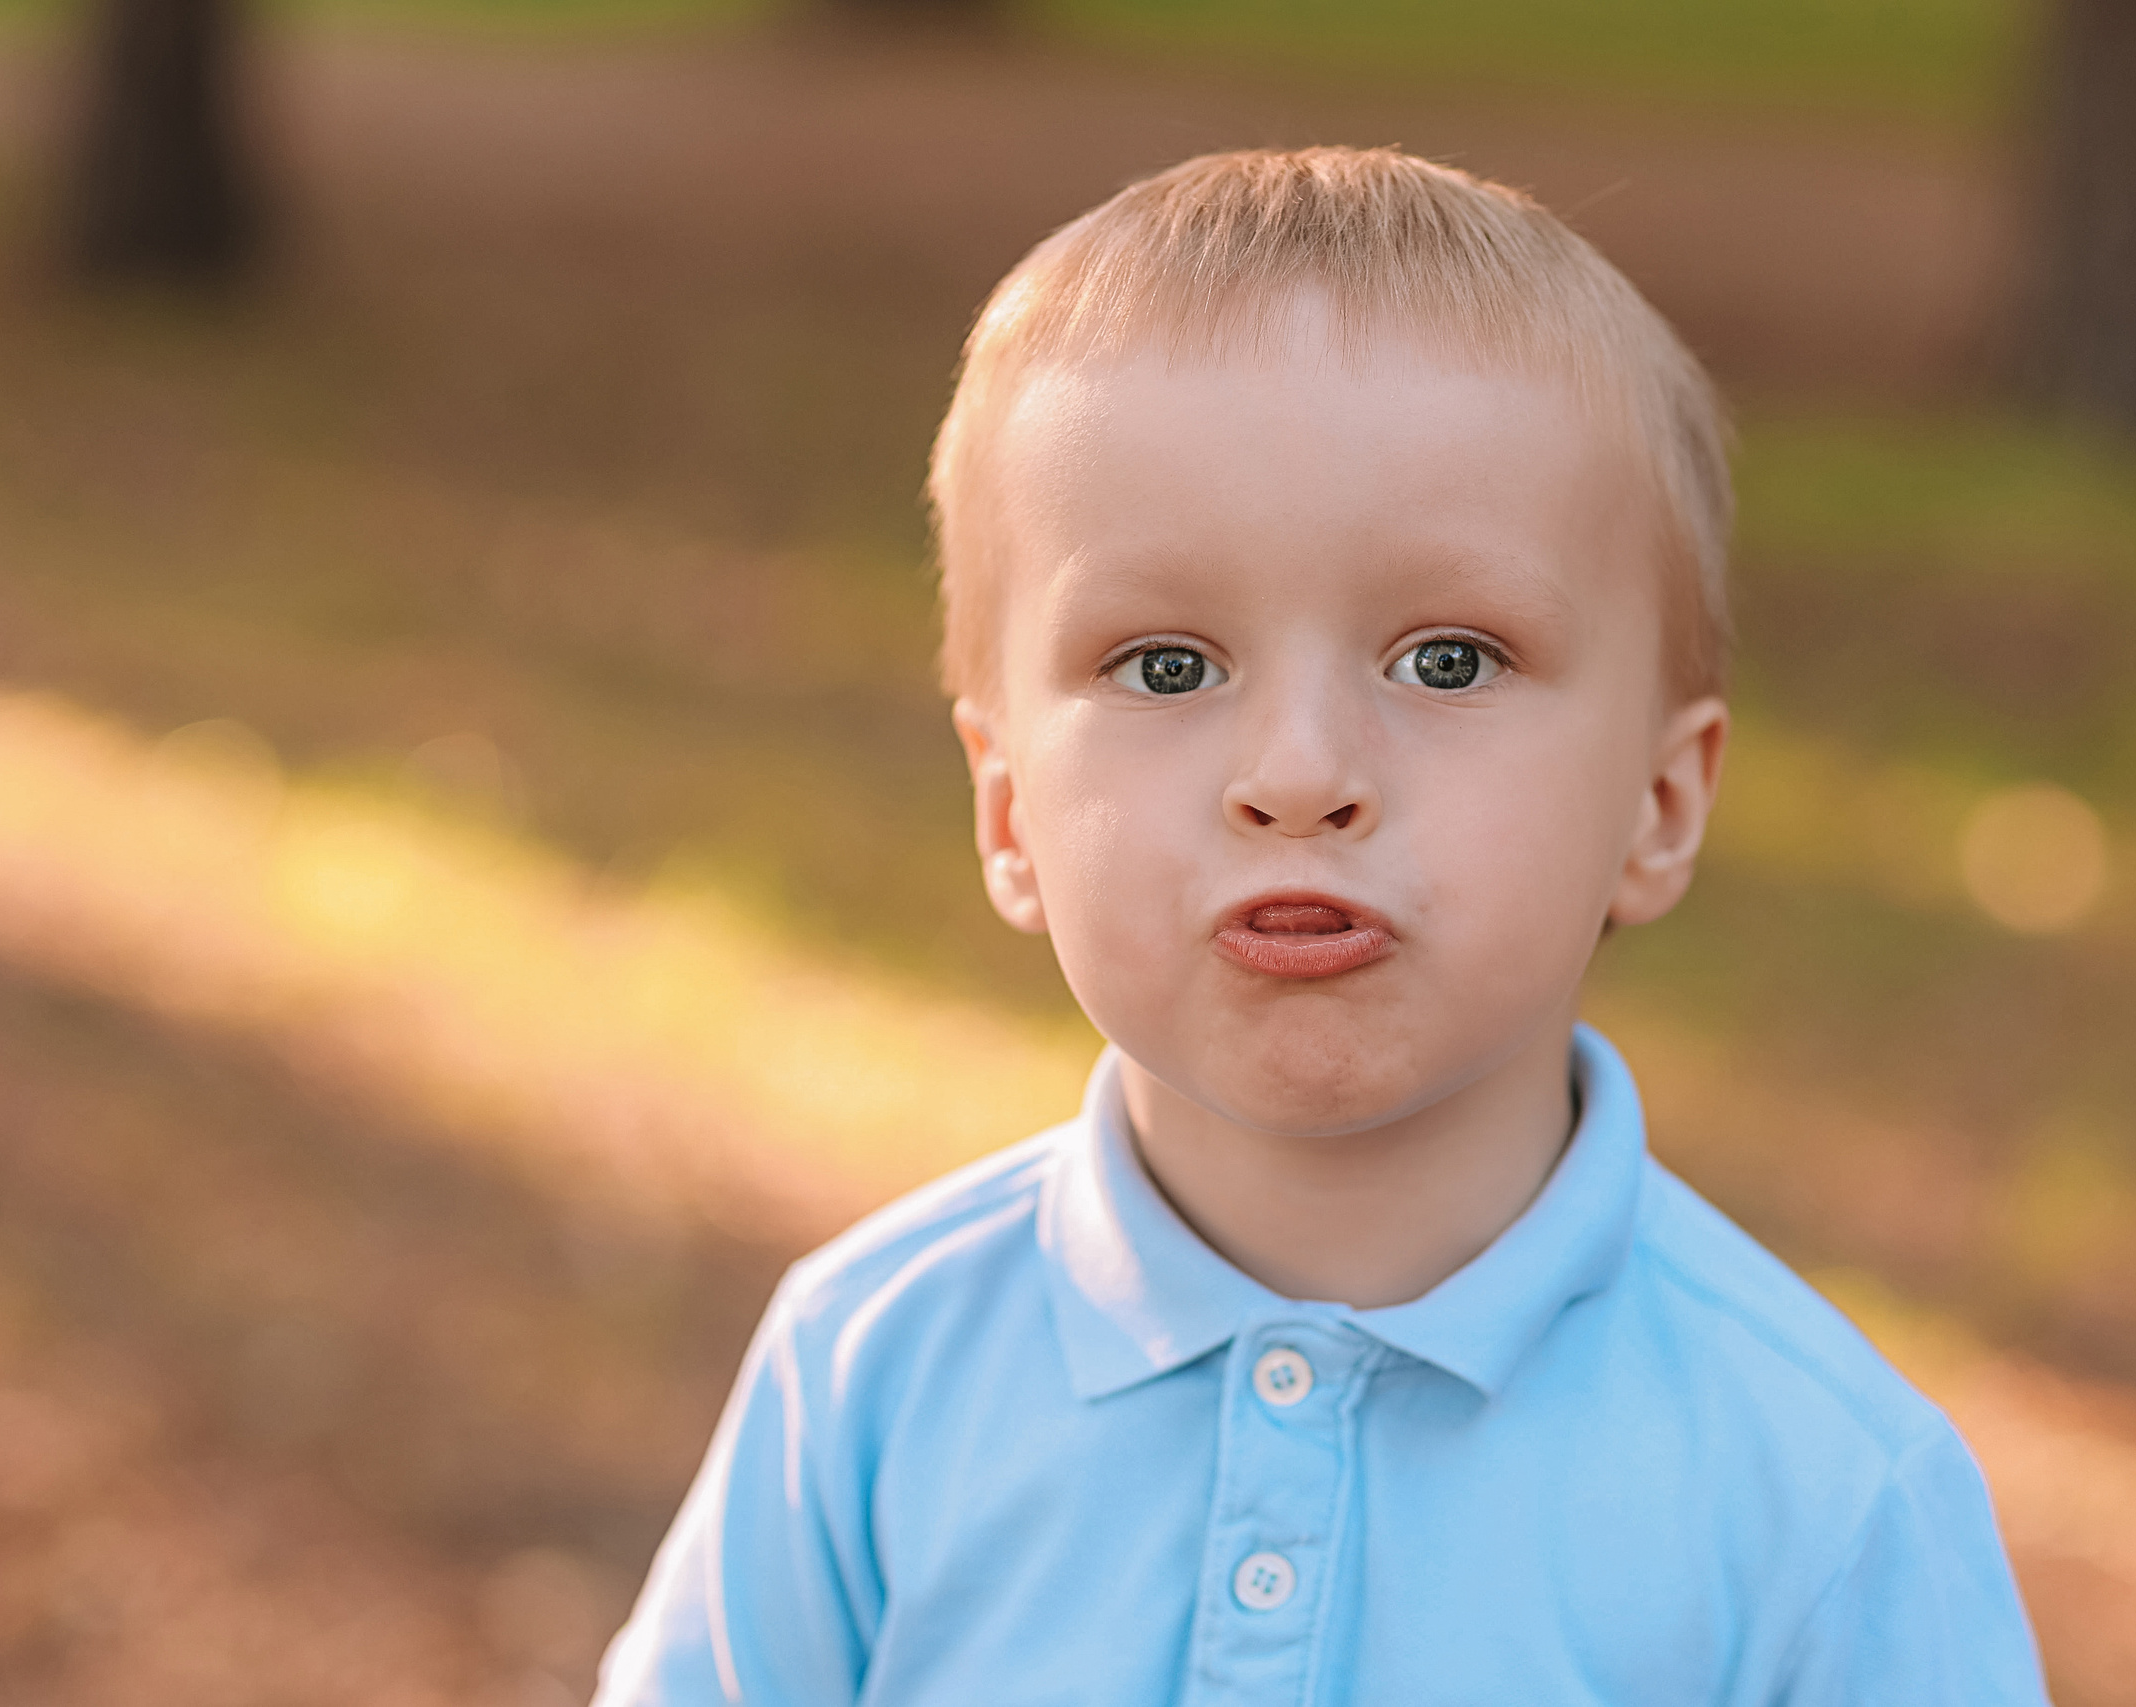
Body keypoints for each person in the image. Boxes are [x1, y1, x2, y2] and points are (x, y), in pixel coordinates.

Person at [595, 146, 2050, 1706]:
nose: (1299, 777)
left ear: (1660, 801)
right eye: (1165, 666)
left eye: (1447, 660)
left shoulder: (1819, 1497)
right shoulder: (870, 1378)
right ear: (1008, 809)